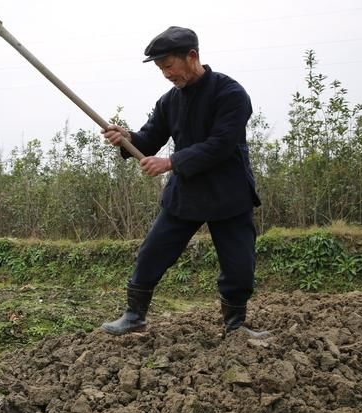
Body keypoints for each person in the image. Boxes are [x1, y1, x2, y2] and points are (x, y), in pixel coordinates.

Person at [100, 26, 261, 337]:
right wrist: (125, 138)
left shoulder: (230, 94)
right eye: (161, 68)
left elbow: (221, 144)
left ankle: (235, 326)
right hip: (186, 193)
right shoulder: (168, 102)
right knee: (152, 252)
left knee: (239, 265)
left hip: (228, 192)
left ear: (192, 56)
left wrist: (171, 162)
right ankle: (134, 315)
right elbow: (148, 141)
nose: (166, 74)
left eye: (169, 66)